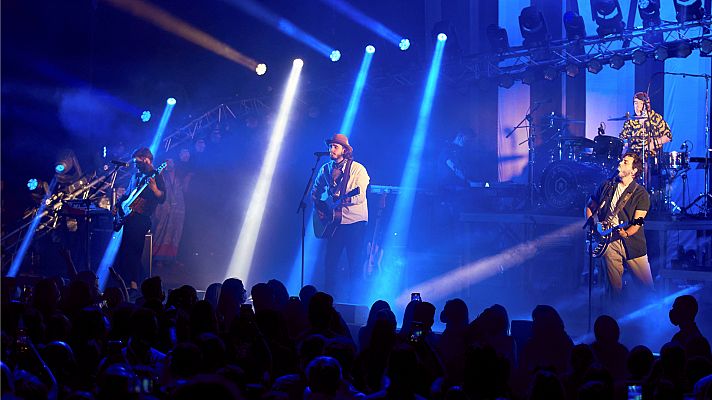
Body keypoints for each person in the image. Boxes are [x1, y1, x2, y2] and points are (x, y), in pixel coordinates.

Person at [311, 133, 370, 302]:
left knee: (355, 263)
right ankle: (328, 302)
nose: (331, 149)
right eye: (330, 146)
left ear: (344, 150)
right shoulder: (326, 168)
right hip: (334, 223)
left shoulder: (358, 169)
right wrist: (320, 206)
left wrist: (342, 201)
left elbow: (360, 196)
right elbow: (315, 190)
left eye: (335, 146)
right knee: (330, 263)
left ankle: (356, 302)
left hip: (355, 223)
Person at [585, 152, 653, 295]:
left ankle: (653, 313)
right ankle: (614, 313)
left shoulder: (641, 193)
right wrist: (593, 225)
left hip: (632, 242)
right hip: (609, 241)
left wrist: (626, 233)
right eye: (622, 160)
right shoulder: (607, 185)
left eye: (626, 162)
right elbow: (590, 206)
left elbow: (638, 221)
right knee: (613, 288)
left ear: (634, 171)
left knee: (646, 288)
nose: (621, 163)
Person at [115, 147, 166, 289]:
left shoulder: (156, 176)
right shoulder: (136, 176)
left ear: (147, 160)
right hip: (129, 217)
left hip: (142, 219)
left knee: (134, 251)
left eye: (137, 162)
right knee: (125, 250)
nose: (135, 165)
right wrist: (118, 206)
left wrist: (155, 189)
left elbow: (163, 197)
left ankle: (137, 283)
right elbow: (127, 195)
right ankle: (127, 281)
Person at [620, 92, 672, 156]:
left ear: (646, 105)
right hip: (634, 157)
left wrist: (653, 144)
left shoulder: (656, 118)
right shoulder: (630, 122)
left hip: (652, 156)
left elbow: (668, 136)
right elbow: (623, 140)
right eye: (635, 103)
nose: (637, 106)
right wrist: (627, 144)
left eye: (641, 103)